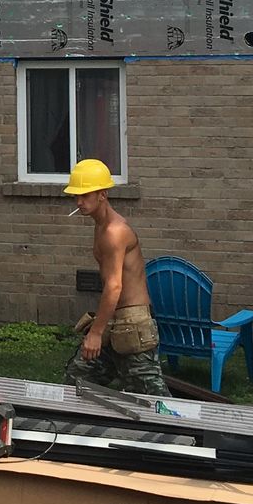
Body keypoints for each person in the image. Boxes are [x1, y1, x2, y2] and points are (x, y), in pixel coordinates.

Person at [61, 158, 168, 397]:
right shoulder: (100, 226)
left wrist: (96, 333)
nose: (79, 202)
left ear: (103, 194)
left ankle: (184, 432)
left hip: (134, 325)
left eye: (86, 195)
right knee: (76, 380)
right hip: (113, 321)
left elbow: (114, 286)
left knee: (153, 399)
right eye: (76, 196)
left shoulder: (114, 232)